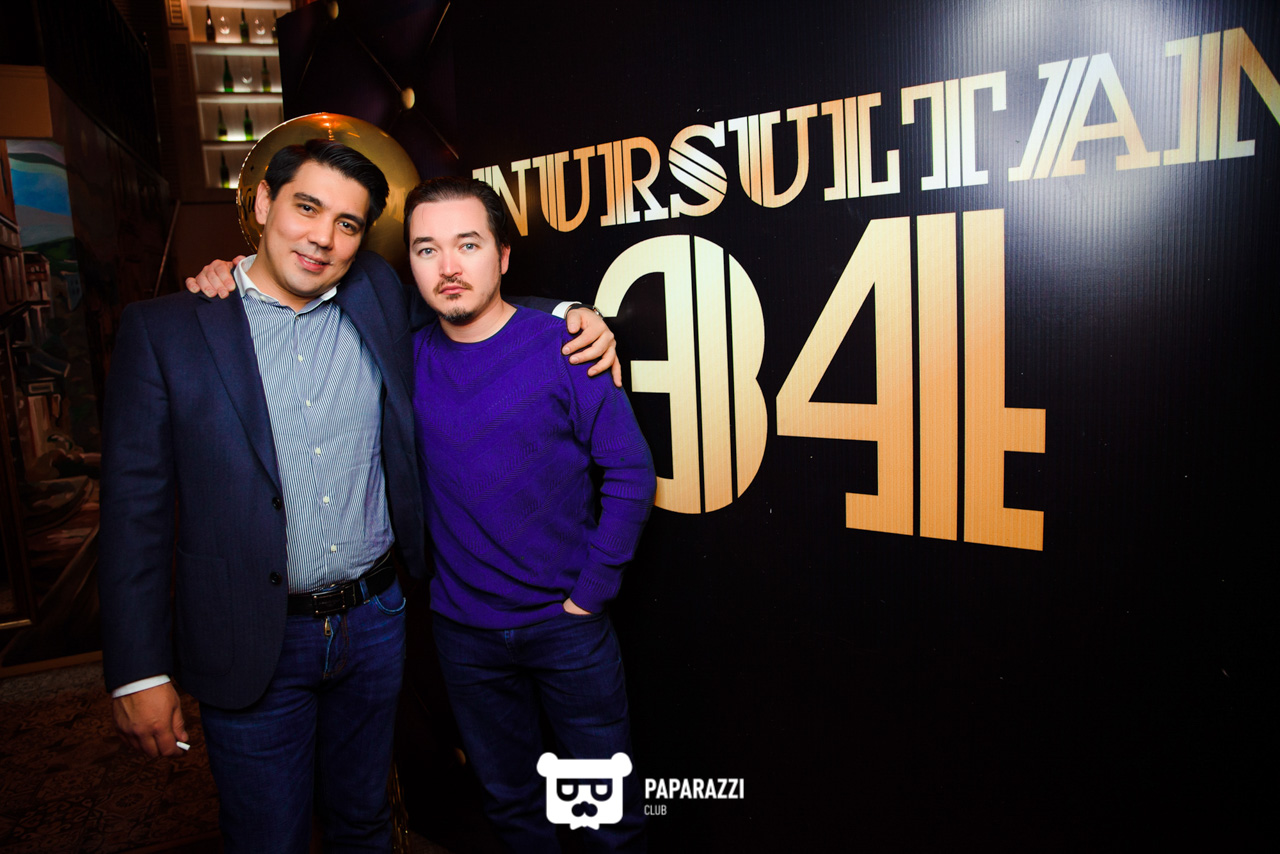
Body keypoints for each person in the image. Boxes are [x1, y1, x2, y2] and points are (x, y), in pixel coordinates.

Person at [100, 139, 617, 852]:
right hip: (253, 637)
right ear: (262, 204)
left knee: (365, 824)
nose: (323, 237)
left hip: (376, 623)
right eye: (306, 208)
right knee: (267, 839)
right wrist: (137, 670)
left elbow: (472, 304)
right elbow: (134, 513)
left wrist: (572, 312)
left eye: (347, 223)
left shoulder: (373, 293)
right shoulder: (167, 330)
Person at [405, 176, 656, 851]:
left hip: (565, 628)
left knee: (607, 819)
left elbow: (631, 472)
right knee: (512, 811)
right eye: (427, 249)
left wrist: (589, 596)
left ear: (504, 255)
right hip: (463, 635)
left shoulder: (565, 347)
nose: (448, 266)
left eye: (468, 244)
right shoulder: (405, 361)